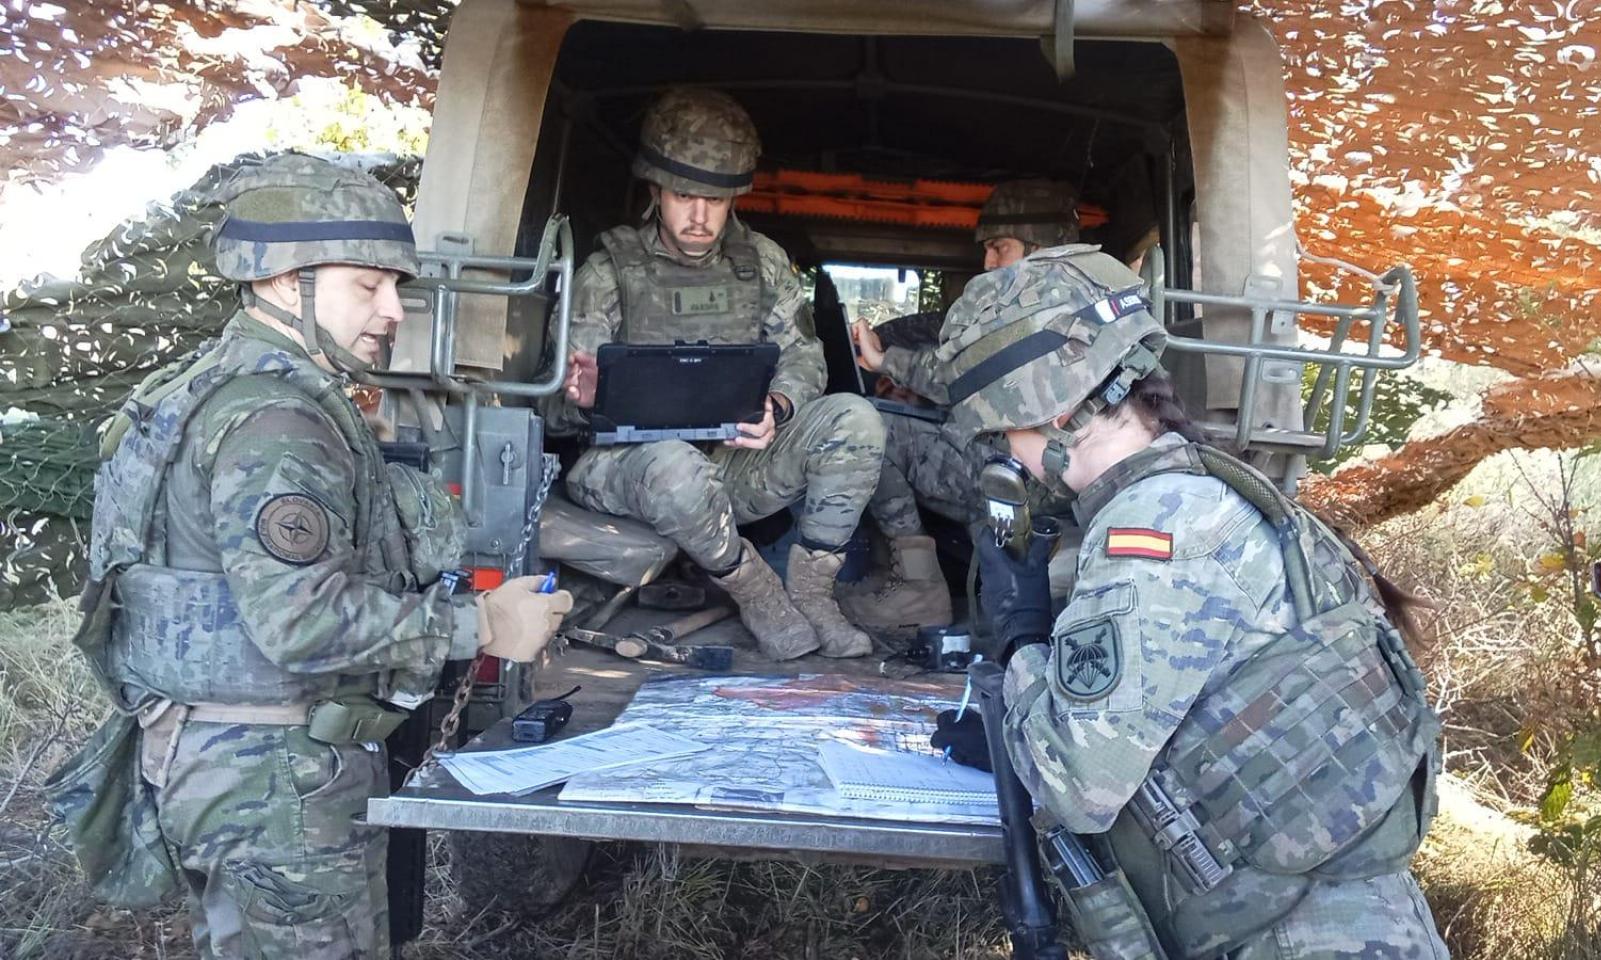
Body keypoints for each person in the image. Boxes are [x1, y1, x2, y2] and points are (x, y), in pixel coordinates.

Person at [59, 153, 573, 959]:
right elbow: (301, 621)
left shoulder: (209, 387)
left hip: (221, 761)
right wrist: (481, 622)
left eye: (395, 287)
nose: (393, 309)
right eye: (367, 286)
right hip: (276, 784)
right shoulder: (276, 422)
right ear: (277, 283)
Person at [929, 257, 1449, 959]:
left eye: (1002, 434)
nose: (1010, 458)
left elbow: (1079, 787)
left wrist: (1021, 637)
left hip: (1292, 935)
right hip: (1314, 915)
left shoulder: (1153, 530)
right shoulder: (1207, 491)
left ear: (1056, 413)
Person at [541, 87, 884, 660]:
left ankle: (813, 593)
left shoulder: (763, 263)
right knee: (675, 463)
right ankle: (755, 590)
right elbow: (549, 407)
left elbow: (805, 356)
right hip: (627, 470)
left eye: (716, 200)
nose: (700, 216)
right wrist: (583, 397)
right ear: (655, 190)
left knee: (856, 418)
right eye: (683, 195)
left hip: (734, 458)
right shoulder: (608, 275)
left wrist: (779, 407)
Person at [840, 180, 1106, 637]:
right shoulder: (1095, 300)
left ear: (1037, 248)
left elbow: (958, 379)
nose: (988, 263)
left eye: (1000, 248)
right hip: (1063, 472)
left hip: (1021, 475)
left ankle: (918, 586)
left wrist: (885, 361)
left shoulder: (1032, 308)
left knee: (866, 428)